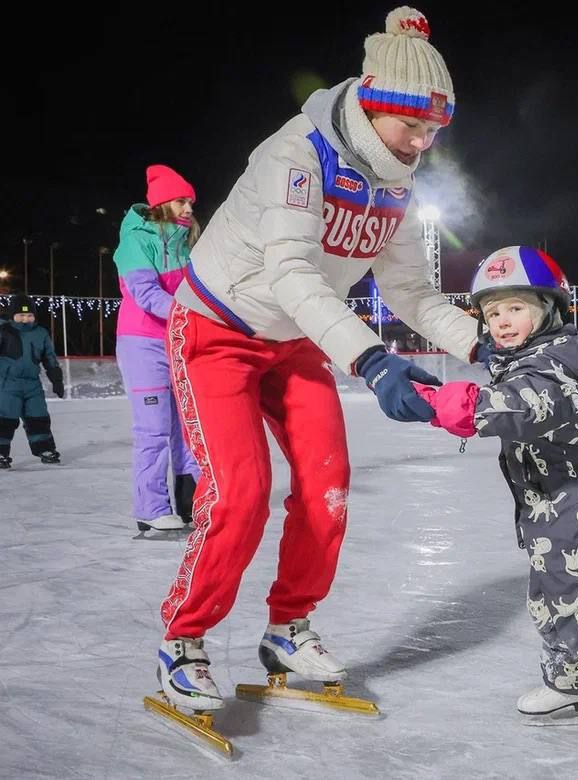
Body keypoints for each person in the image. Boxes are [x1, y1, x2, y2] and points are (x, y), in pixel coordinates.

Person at [153, 7, 481, 716]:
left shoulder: (396, 179)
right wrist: (371, 359)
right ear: (374, 101)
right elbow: (292, 273)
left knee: (328, 489)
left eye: (434, 131)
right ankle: (185, 639)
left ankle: (287, 630)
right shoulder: (295, 156)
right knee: (240, 495)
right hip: (219, 330)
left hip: (298, 339)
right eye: (414, 126)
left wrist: (486, 343)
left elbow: (408, 289)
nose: (424, 142)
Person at [419, 246, 578, 748]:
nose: (502, 322)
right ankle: (571, 684)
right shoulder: (526, 361)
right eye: (493, 313)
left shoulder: (561, 364)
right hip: (545, 504)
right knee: (551, 597)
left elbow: (519, 407)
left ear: (548, 308)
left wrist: (436, 402)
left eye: (515, 308)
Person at [112, 165, 201, 532]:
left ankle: (190, 502)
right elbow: (146, 293)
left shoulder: (188, 242)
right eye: (182, 201)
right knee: (153, 429)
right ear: (163, 202)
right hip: (142, 342)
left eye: (191, 202)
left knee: (187, 426)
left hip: (179, 341)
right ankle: (150, 509)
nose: (189, 208)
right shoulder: (135, 240)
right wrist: (195, 316)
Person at [0, 295, 63, 468]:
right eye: (21, 315)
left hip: (32, 385)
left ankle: (45, 449)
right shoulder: (4, 331)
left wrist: (56, 379)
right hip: (7, 384)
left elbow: (49, 357)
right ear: (12, 315)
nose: (25, 319)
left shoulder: (40, 333)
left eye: (29, 316)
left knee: (38, 417)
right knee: (5, 419)